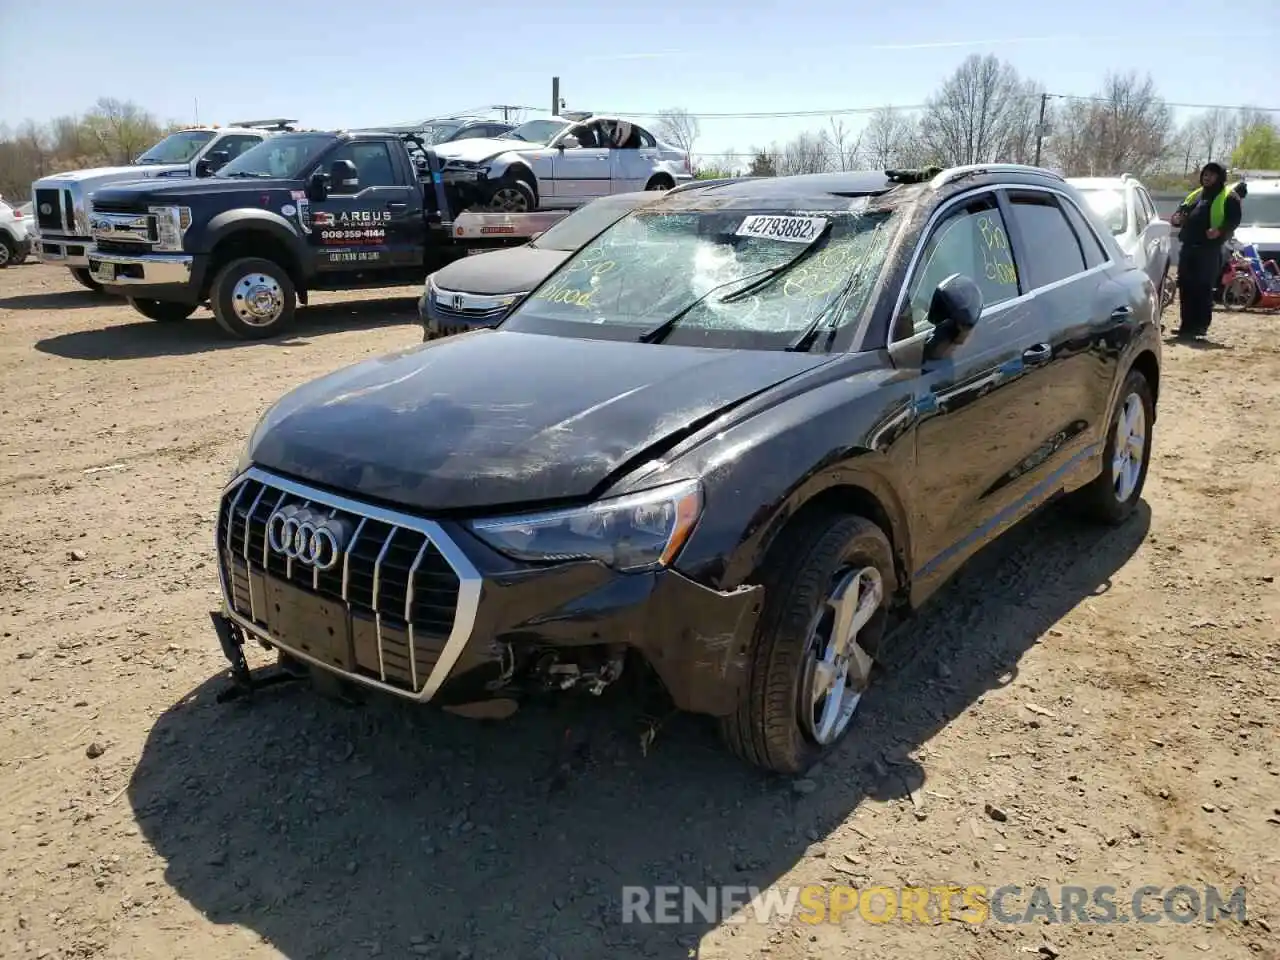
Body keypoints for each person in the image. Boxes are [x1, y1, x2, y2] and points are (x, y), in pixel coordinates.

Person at [1169, 163, 1242, 338]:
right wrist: (1177, 219)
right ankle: (1186, 326)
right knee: (1186, 286)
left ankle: (1200, 327)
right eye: (1205, 174)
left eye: (1211, 174)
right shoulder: (1195, 195)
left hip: (1209, 250)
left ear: (1220, 177)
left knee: (1203, 287)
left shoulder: (1229, 196)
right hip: (1188, 248)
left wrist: (1220, 231)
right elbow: (1179, 214)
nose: (1206, 177)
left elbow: (1234, 220)